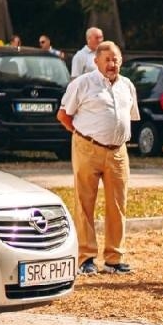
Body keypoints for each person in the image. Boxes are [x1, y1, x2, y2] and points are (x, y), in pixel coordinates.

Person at [57, 40, 140, 274]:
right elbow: (63, 115)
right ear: (96, 62)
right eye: (107, 60)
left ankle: (115, 257)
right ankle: (86, 257)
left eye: (115, 59)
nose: (112, 64)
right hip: (87, 147)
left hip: (118, 151)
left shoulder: (127, 86)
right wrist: (82, 135)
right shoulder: (83, 83)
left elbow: (129, 117)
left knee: (118, 204)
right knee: (85, 202)